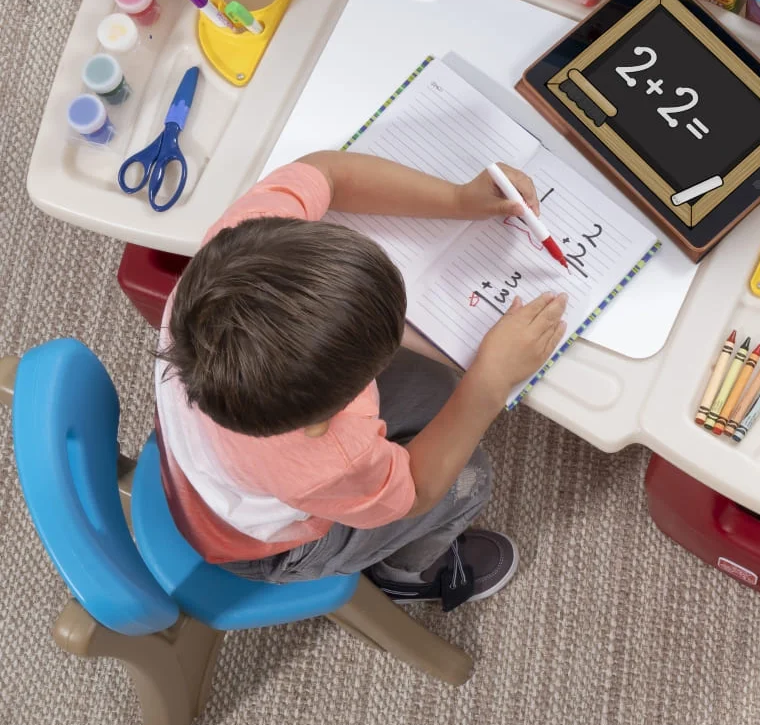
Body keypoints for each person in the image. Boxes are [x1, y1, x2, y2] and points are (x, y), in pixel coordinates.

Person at [155, 151, 568, 611]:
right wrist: (491, 381)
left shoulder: (239, 251)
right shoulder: (330, 456)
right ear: (326, 417)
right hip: (266, 543)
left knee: (437, 387)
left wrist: (457, 199)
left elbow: (327, 172)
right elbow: (417, 492)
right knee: (469, 478)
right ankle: (403, 573)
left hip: (207, 455)